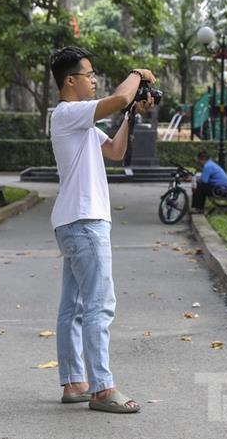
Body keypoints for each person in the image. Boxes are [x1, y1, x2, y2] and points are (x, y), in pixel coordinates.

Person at [48, 46, 157, 413]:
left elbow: (114, 151)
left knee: (75, 307)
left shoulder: (80, 122)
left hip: (73, 221)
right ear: (70, 80)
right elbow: (122, 94)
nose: (94, 80)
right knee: (100, 305)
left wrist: (130, 116)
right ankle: (102, 387)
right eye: (89, 74)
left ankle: (75, 382)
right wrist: (137, 75)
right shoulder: (67, 113)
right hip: (85, 221)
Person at [191, 149, 227, 213]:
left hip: (219, 190)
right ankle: (198, 208)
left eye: (199, 160)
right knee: (200, 185)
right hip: (222, 189)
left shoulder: (207, 166)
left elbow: (204, 181)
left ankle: (198, 208)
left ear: (202, 159)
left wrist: (195, 180)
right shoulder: (211, 164)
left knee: (199, 186)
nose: (199, 162)